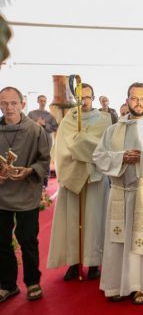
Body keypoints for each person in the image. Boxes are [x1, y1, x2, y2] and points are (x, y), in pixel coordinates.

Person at [93, 82, 143, 304]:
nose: (138, 103)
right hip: (120, 191)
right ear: (127, 100)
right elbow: (99, 156)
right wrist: (121, 157)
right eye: (134, 98)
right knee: (118, 242)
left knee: (142, 242)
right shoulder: (113, 129)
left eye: (142, 98)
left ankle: (142, 286)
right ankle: (117, 284)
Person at [47, 83, 112, 280]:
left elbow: (103, 146)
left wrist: (80, 142)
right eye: (80, 97)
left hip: (95, 177)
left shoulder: (105, 119)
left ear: (93, 98)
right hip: (72, 177)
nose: (84, 101)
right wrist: (83, 143)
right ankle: (74, 264)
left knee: (95, 220)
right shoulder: (69, 119)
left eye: (87, 97)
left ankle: (93, 263)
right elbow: (62, 147)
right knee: (72, 221)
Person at [0, 87, 50, 303]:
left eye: (13, 102)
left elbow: (45, 160)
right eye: (4, 103)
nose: (9, 107)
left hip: (27, 193)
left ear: (22, 104)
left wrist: (30, 171)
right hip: (1, 196)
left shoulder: (35, 131)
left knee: (28, 240)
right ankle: (8, 285)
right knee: (1, 242)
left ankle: (32, 282)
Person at [28, 94, 59, 190]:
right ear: (38, 101)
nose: (43, 102)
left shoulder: (50, 116)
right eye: (41, 100)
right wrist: (35, 124)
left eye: (44, 101)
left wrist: (44, 124)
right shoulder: (31, 114)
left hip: (46, 141)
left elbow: (55, 128)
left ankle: (44, 184)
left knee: (45, 161)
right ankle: (32, 182)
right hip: (33, 140)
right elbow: (25, 125)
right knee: (32, 159)